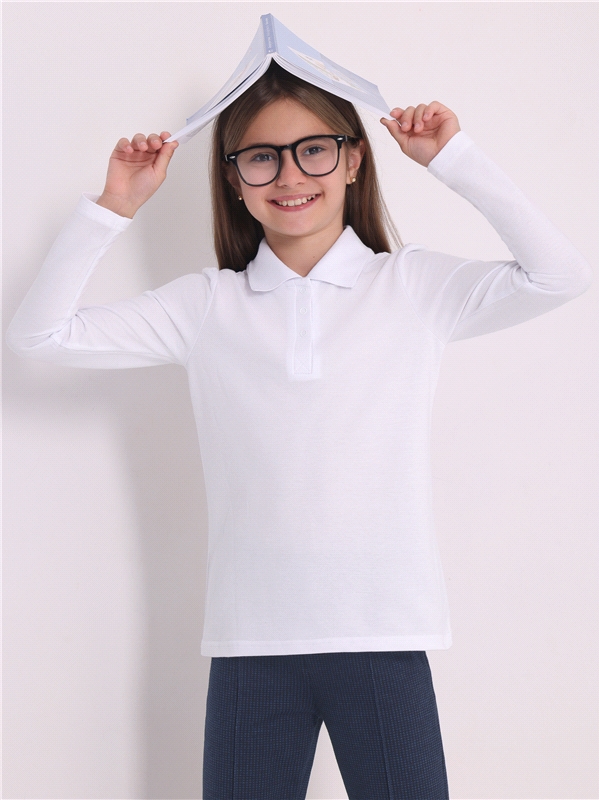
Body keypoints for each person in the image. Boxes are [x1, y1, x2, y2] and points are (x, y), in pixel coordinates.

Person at [6, 62, 592, 800]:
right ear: (234, 179)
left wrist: (454, 159)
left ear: (353, 160)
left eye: (313, 150)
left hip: (382, 634)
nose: (289, 175)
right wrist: (114, 205)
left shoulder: (410, 286)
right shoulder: (207, 306)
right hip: (252, 643)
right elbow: (40, 336)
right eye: (261, 157)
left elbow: (559, 275)